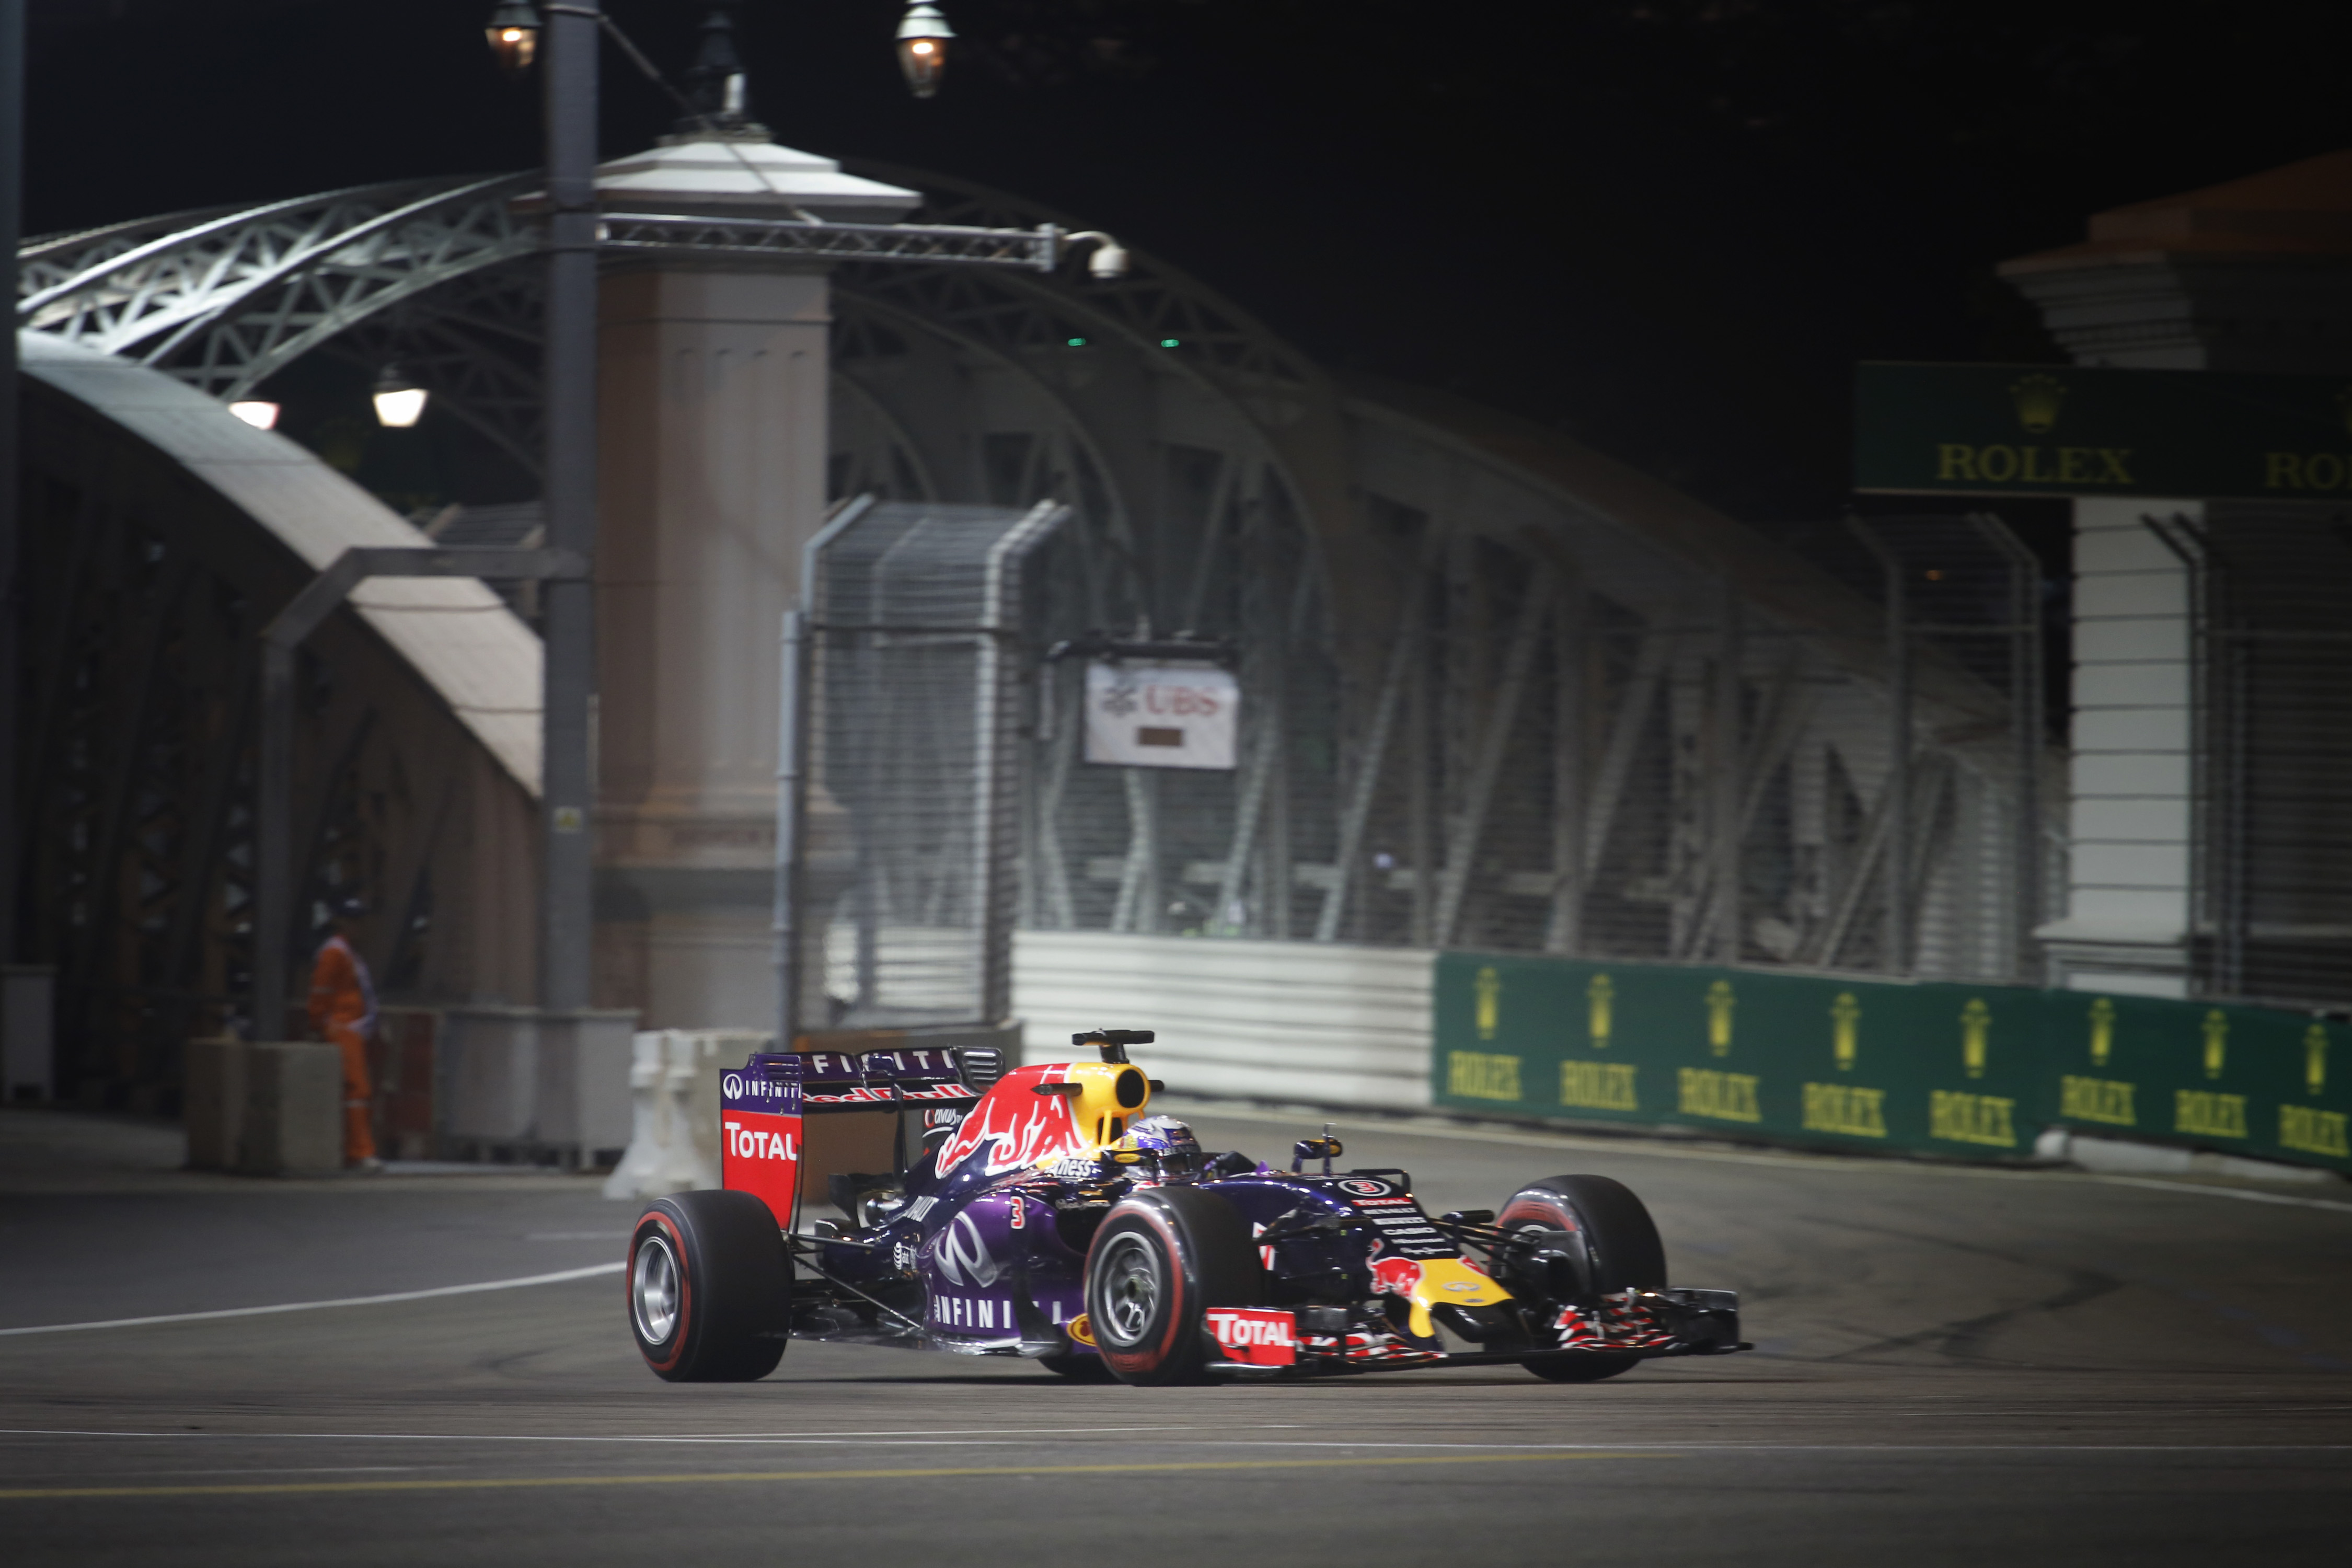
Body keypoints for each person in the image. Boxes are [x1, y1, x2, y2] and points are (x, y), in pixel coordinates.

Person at [308, 898, 382, 1172]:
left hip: (353, 1028)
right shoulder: (336, 952)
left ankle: (358, 1150)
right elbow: (320, 994)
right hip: (343, 1028)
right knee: (356, 1090)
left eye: (360, 920)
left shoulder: (347, 952)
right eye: (353, 920)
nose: (358, 926)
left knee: (357, 1091)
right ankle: (360, 1152)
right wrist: (320, 1026)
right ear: (341, 921)